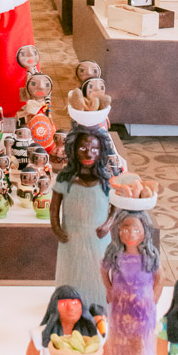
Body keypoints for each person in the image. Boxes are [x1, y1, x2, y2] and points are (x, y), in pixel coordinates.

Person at [50, 128, 113, 307]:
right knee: (71, 272)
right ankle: (69, 306)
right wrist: (56, 228)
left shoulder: (106, 180)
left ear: (102, 151)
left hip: (98, 237)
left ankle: (98, 305)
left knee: (98, 272)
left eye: (94, 149)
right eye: (83, 148)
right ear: (73, 150)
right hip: (71, 235)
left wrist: (109, 223)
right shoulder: (65, 179)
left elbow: (117, 204)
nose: (88, 154)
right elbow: (54, 207)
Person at [101, 210, 162, 355]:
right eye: (126, 230)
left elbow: (160, 278)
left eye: (136, 230)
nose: (131, 234)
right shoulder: (115, 254)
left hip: (143, 307)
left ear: (145, 231)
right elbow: (103, 270)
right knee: (121, 332)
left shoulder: (150, 256)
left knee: (140, 334)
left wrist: (154, 297)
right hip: (120, 305)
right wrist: (109, 289)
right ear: (118, 230)